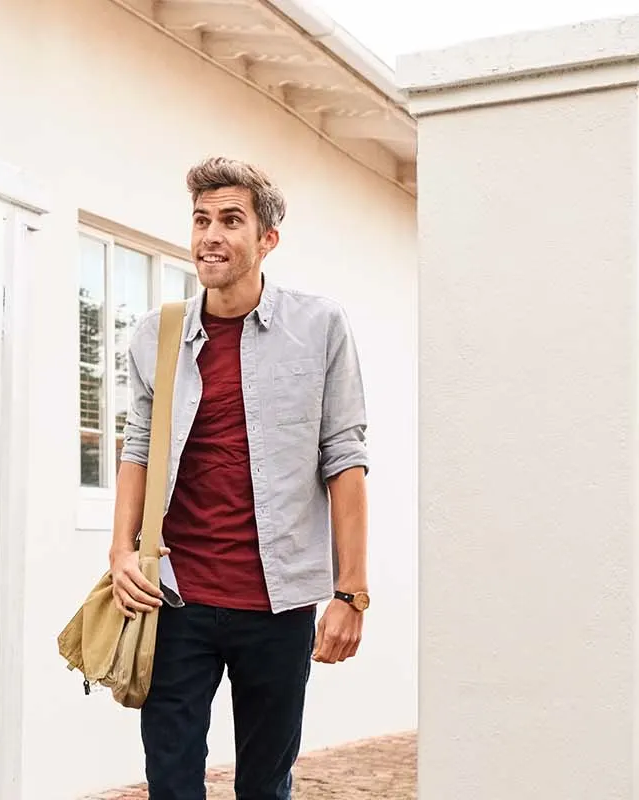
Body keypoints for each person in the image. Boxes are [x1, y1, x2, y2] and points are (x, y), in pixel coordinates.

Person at [107, 158, 372, 800]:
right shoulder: (156, 335)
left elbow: (345, 456)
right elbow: (138, 446)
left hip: (277, 606)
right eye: (201, 221)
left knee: (264, 786)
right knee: (171, 784)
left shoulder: (320, 327)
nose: (211, 237)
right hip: (175, 599)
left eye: (230, 220)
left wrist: (352, 592)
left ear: (267, 239)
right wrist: (120, 552)